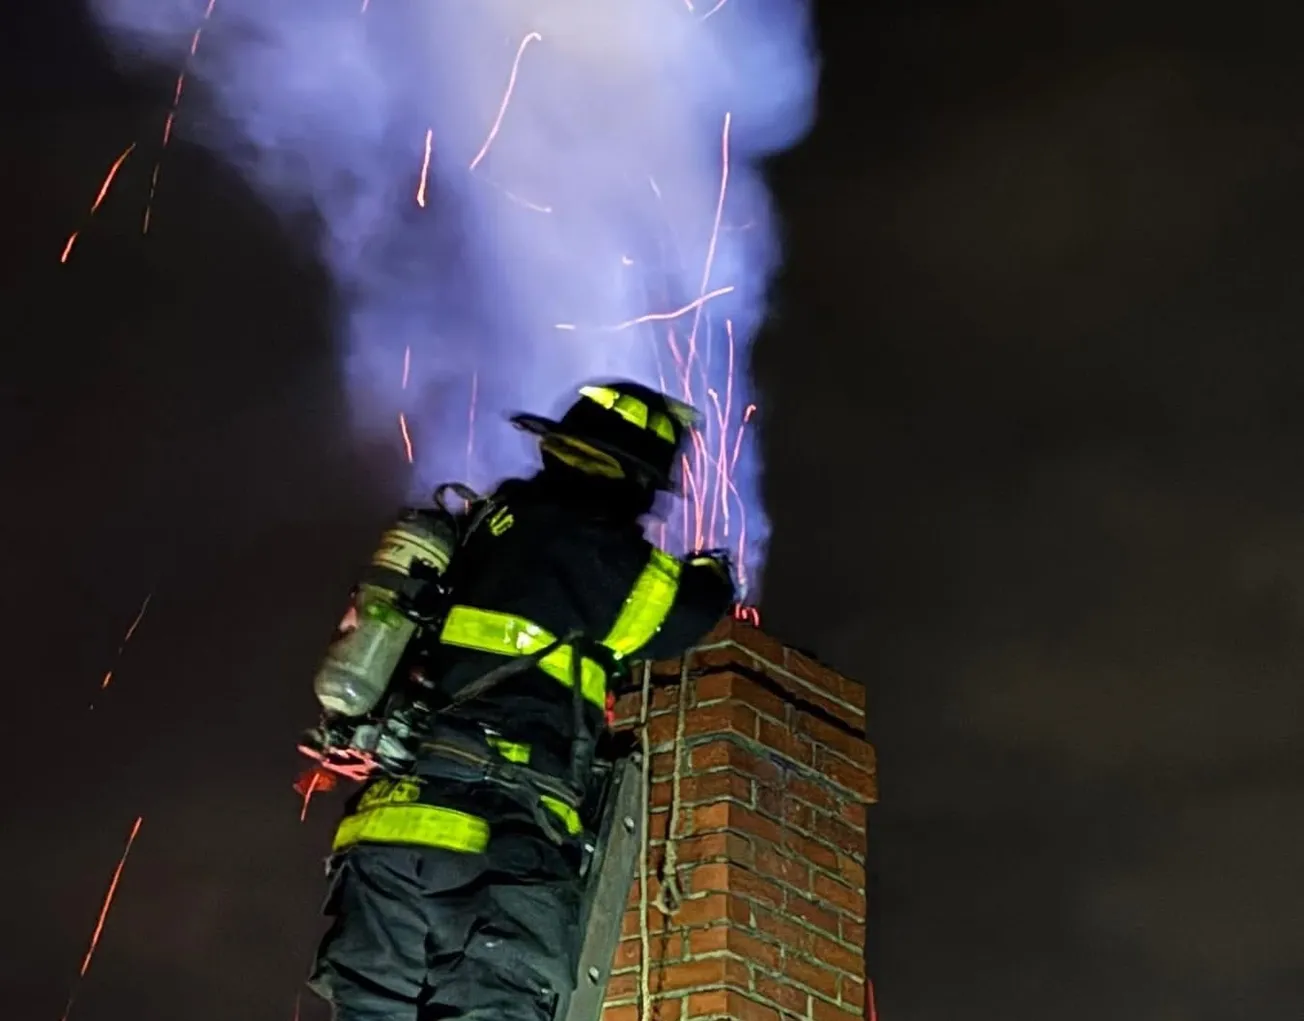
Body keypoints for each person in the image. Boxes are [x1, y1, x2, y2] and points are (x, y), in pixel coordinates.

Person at [307, 380, 737, 1021]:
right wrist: (716, 571)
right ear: (635, 479)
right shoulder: (597, 550)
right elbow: (687, 612)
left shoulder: (484, 525)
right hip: (502, 837)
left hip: (392, 827)